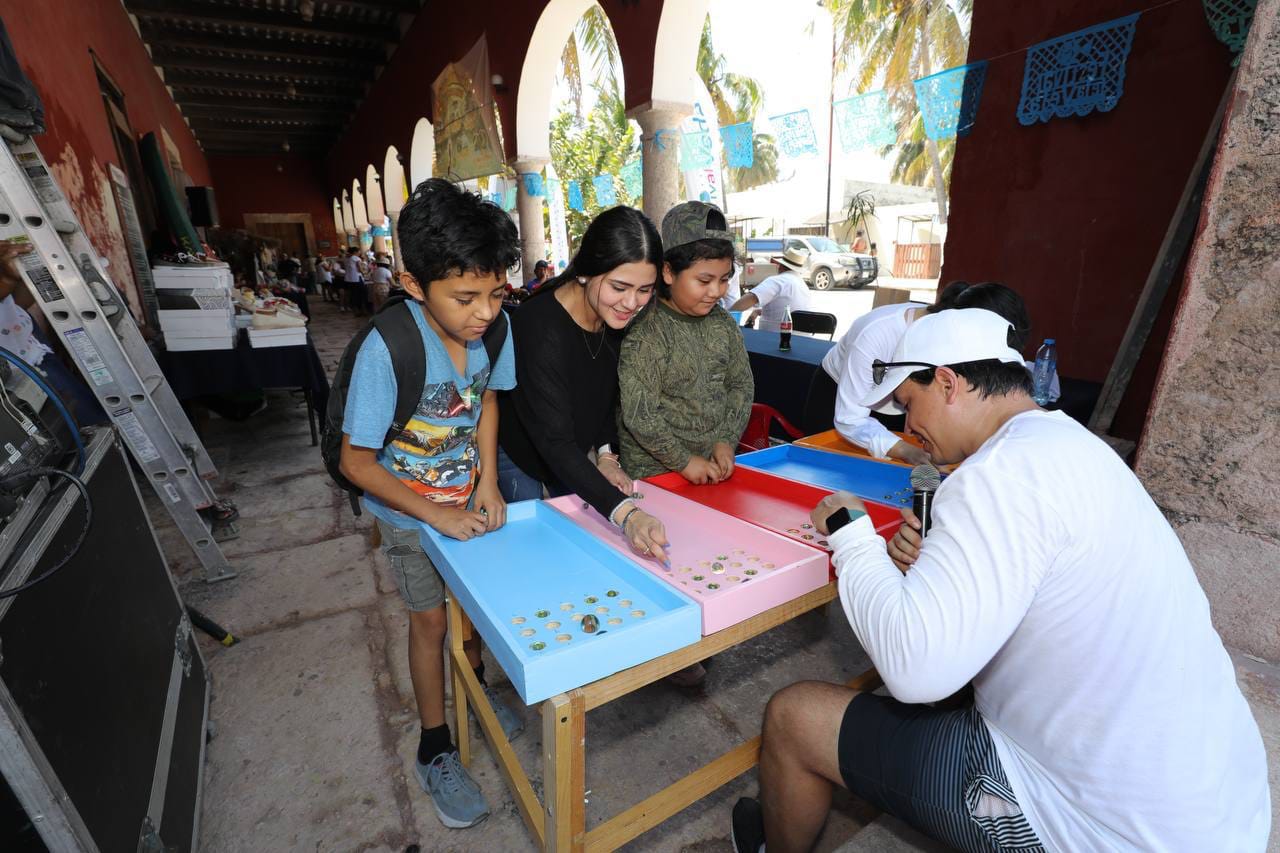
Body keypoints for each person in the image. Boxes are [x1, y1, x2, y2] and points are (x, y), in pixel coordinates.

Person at [730, 308, 1270, 853]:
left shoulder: (995, 477)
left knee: (793, 717)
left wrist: (851, 534)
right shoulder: (1075, 447)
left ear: (947, 383)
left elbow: (915, 671)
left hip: (1101, 829)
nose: (905, 426)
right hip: (1223, 812)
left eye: (908, 405)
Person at [338, 179, 522, 830]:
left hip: (466, 503)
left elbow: (487, 401)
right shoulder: (389, 348)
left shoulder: (495, 334)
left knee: (472, 613)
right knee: (430, 624)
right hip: (410, 515)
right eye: (466, 297)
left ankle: (473, 697)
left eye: (496, 293)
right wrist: (434, 511)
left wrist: (488, 482)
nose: (484, 312)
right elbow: (354, 462)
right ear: (415, 285)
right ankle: (435, 744)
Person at [617, 199, 753, 687]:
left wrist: (724, 440)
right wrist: (682, 459)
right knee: (661, 562)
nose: (717, 292)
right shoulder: (647, 332)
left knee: (705, 558)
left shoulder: (722, 327)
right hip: (656, 473)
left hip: (711, 469)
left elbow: (741, 387)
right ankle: (663, 653)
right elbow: (639, 413)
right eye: (704, 280)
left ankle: (700, 632)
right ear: (669, 272)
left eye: (723, 279)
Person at [497, 206, 671, 563]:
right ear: (586, 271)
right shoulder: (539, 326)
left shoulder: (613, 317)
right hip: (522, 453)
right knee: (536, 555)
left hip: (573, 449)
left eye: (644, 290)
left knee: (579, 544)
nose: (631, 303)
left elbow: (605, 391)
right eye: (619, 287)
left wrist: (606, 455)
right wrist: (627, 515)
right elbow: (554, 443)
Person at [807, 281, 1033, 464]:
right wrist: (905, 449)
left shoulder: (952, 346)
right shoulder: (876, 334)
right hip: (840, 398)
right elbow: (850, 419)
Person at [729, 246, 812, 331]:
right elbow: (787, 310)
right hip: (802, 338)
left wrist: (725, 317)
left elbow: (751, 298)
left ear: (780, 266)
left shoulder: (778, 281)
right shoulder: (803, 285)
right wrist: (757, 312)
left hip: (775, 338)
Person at [342, 246, 365, 316]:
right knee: (360, 295)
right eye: (359, 251)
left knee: (352, 295)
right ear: (355, 252)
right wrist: (364, 272)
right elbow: (359, 269)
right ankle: (360, 310)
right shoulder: (356, 258)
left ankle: (355, 310)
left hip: (349, 279)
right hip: (356, 278)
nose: (360, 253)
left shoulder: (347, 259)